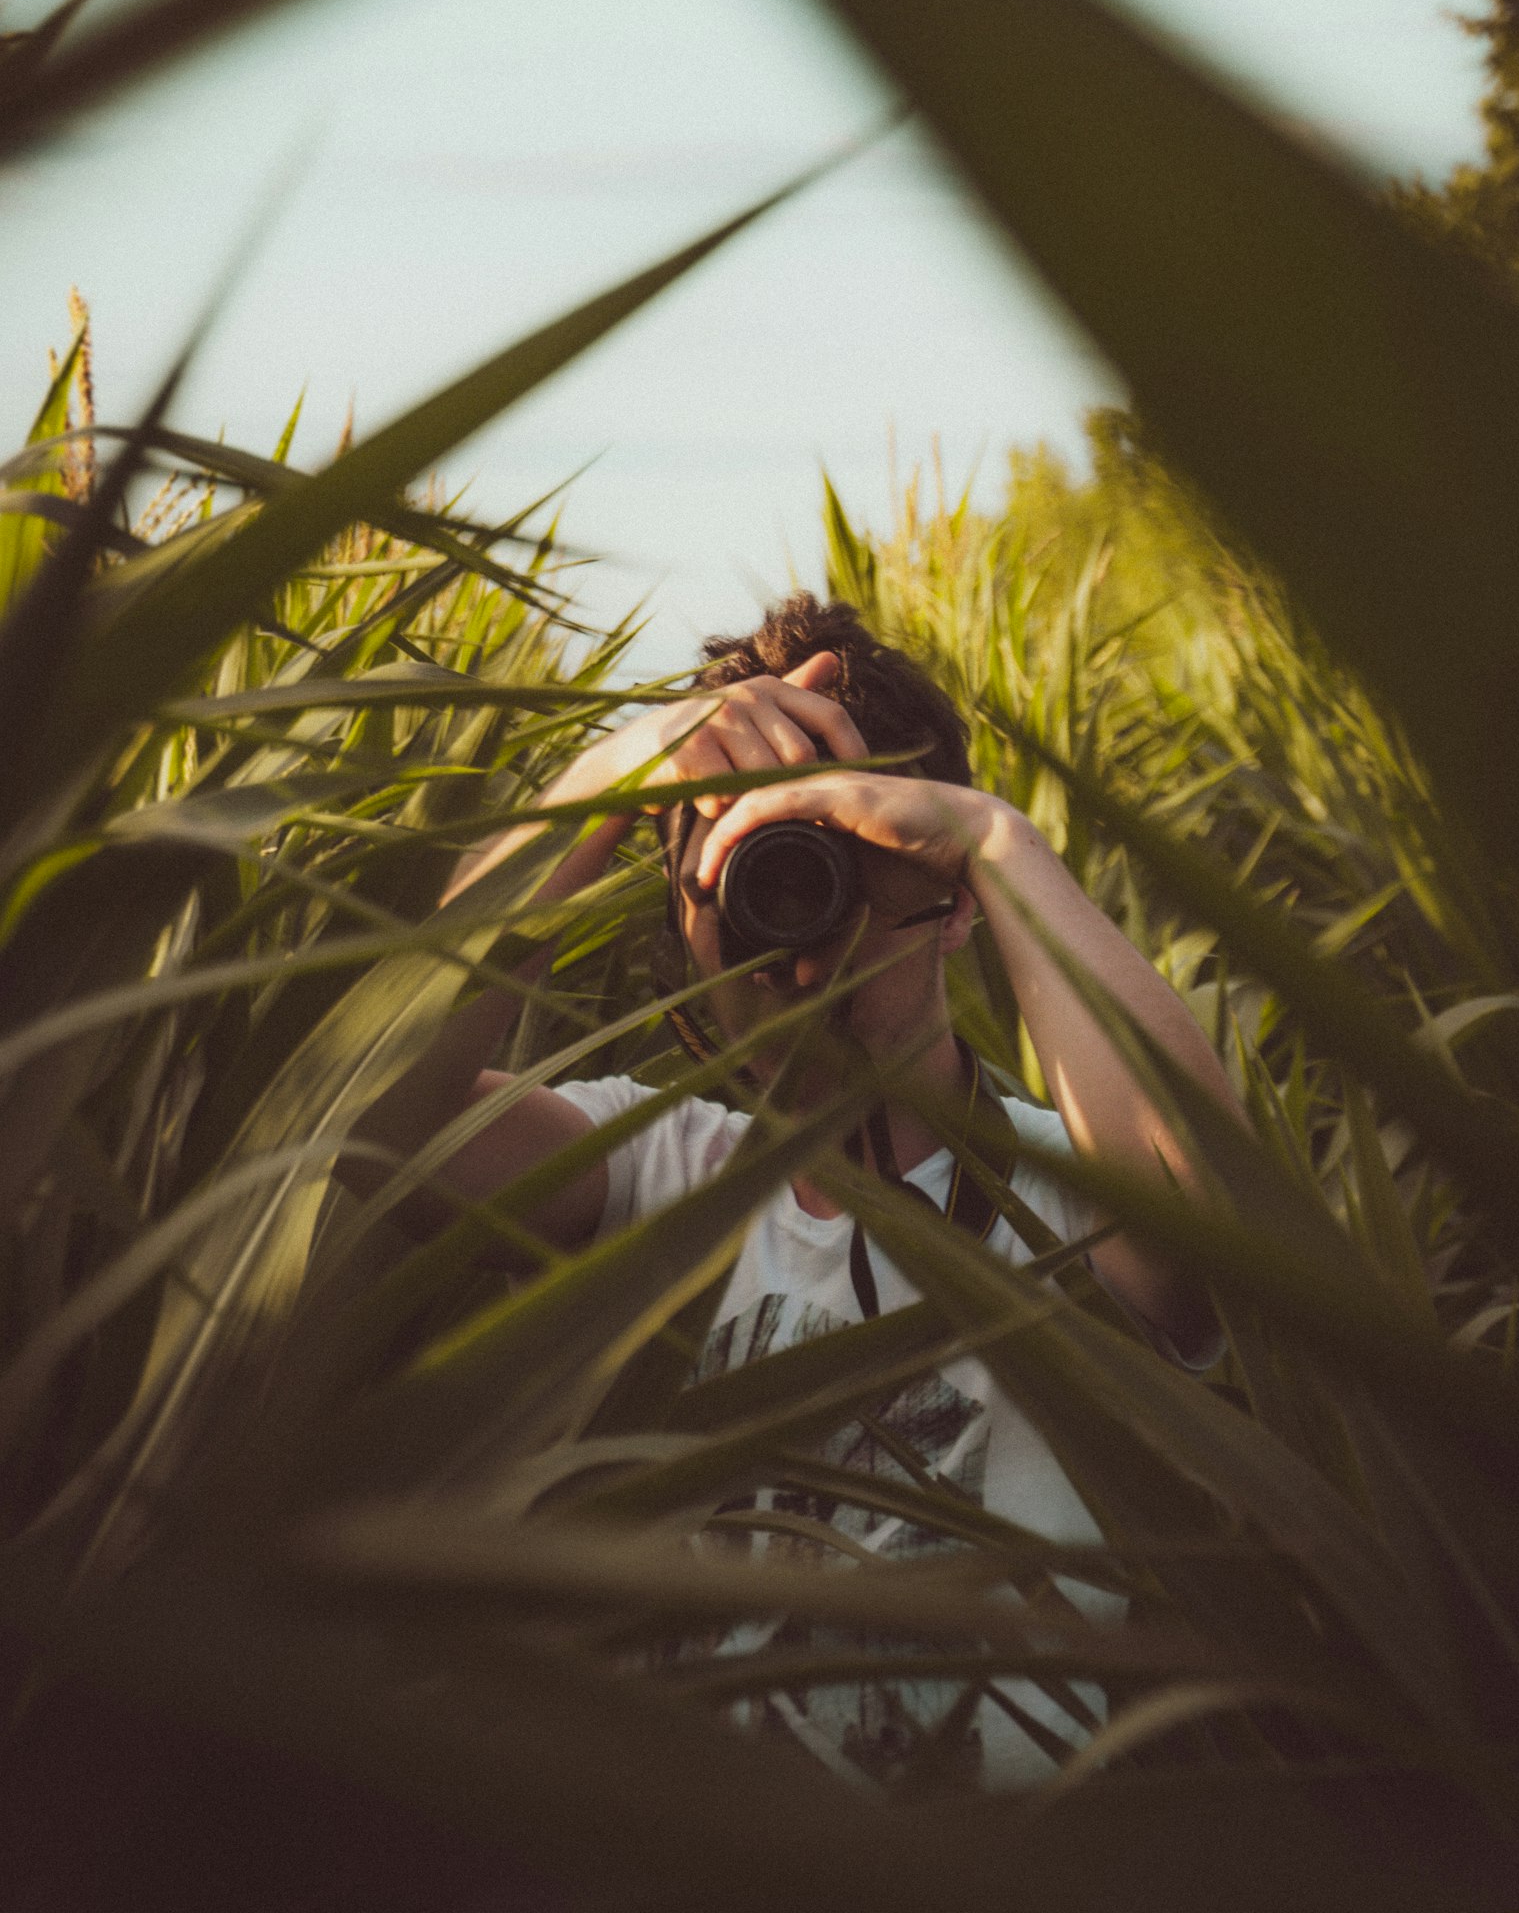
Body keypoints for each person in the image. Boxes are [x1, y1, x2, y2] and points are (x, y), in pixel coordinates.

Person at [354, 593, 1235, 1787]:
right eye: (741, 866)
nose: (795, 926)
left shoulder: (1066, 1191)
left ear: (952, 902)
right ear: (682, 909)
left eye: (844, 859)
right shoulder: (657, 1177)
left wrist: (996, 845)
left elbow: (1213, 1210)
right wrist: (610, 778)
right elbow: (374, 1118)